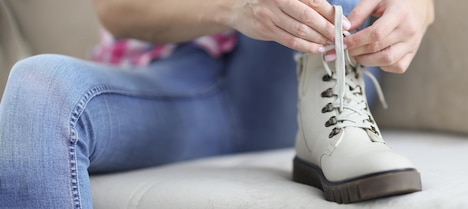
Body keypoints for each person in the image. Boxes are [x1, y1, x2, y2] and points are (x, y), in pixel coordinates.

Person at [0, 0, 434, 208]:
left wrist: (420, 6)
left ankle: (335, 114)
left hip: (282, 72)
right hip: (176, 77)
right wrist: (235, 6)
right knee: (38, 88)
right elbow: (116, 9)